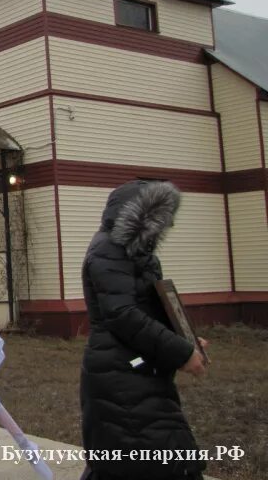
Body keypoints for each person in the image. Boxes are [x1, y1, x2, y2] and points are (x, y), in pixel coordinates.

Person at [80, 180, 208, 480]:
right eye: (159, 216)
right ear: (138, 216)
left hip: (138, 370)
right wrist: (181, 352)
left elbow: (148, 308)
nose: (167, 224)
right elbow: (123, 315)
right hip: (120, 377)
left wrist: (185, 339)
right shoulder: (108, 250)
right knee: (157, 461)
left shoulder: (138, 255)